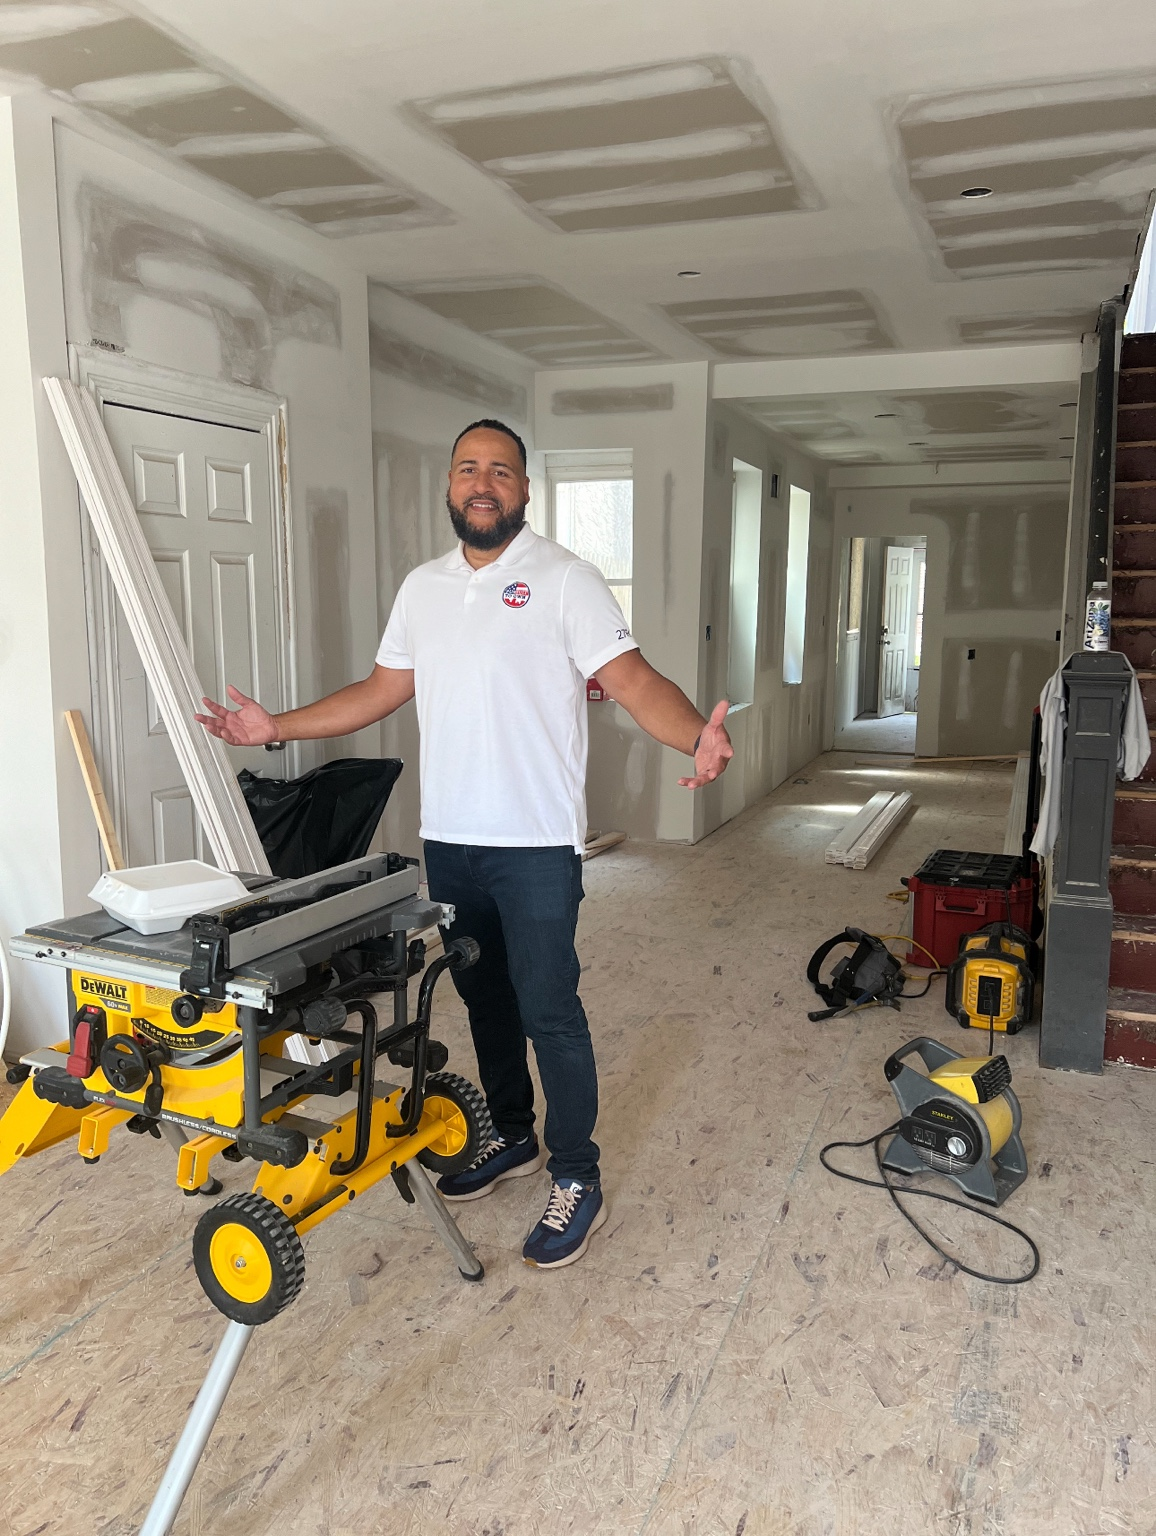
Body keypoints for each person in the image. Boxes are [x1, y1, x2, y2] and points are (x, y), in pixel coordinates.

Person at [197, 419, 732, 1269]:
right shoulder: (423, 589)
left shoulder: (566, 580)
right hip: (450, 841)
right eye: (468, 469)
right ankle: (512, 1135)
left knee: (550, 1007)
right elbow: (380, 690)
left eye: (502, 471)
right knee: (484, 1000)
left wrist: (692, 736)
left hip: (536, 848)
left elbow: (632, 681)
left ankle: (577, 1173)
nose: (483, 483)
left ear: (525, 491)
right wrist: (275, 728)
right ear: (451, 486)